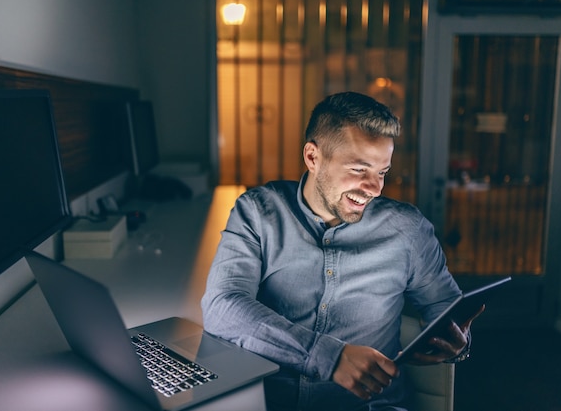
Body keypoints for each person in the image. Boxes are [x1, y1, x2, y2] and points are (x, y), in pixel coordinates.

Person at [201, 92, 480, 411]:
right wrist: (329, 357)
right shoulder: (257, 212)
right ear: (312, 157)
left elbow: (445, 307)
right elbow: (222, 307)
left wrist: (458, 343)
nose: (375, 188)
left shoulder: (408, 229)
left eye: (382, 172)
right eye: (360, 169)